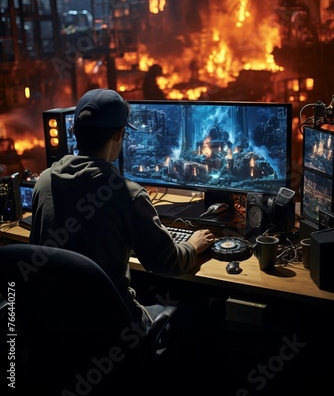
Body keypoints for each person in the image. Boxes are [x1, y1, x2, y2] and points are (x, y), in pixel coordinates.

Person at [30, 88, 215, 332]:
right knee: (193, 311)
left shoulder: (44, 181)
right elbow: (167, 263)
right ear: (119, 134)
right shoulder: (126, 194)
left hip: (56, 328)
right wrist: (193, 245)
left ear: (74, 131)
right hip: (113, 328)